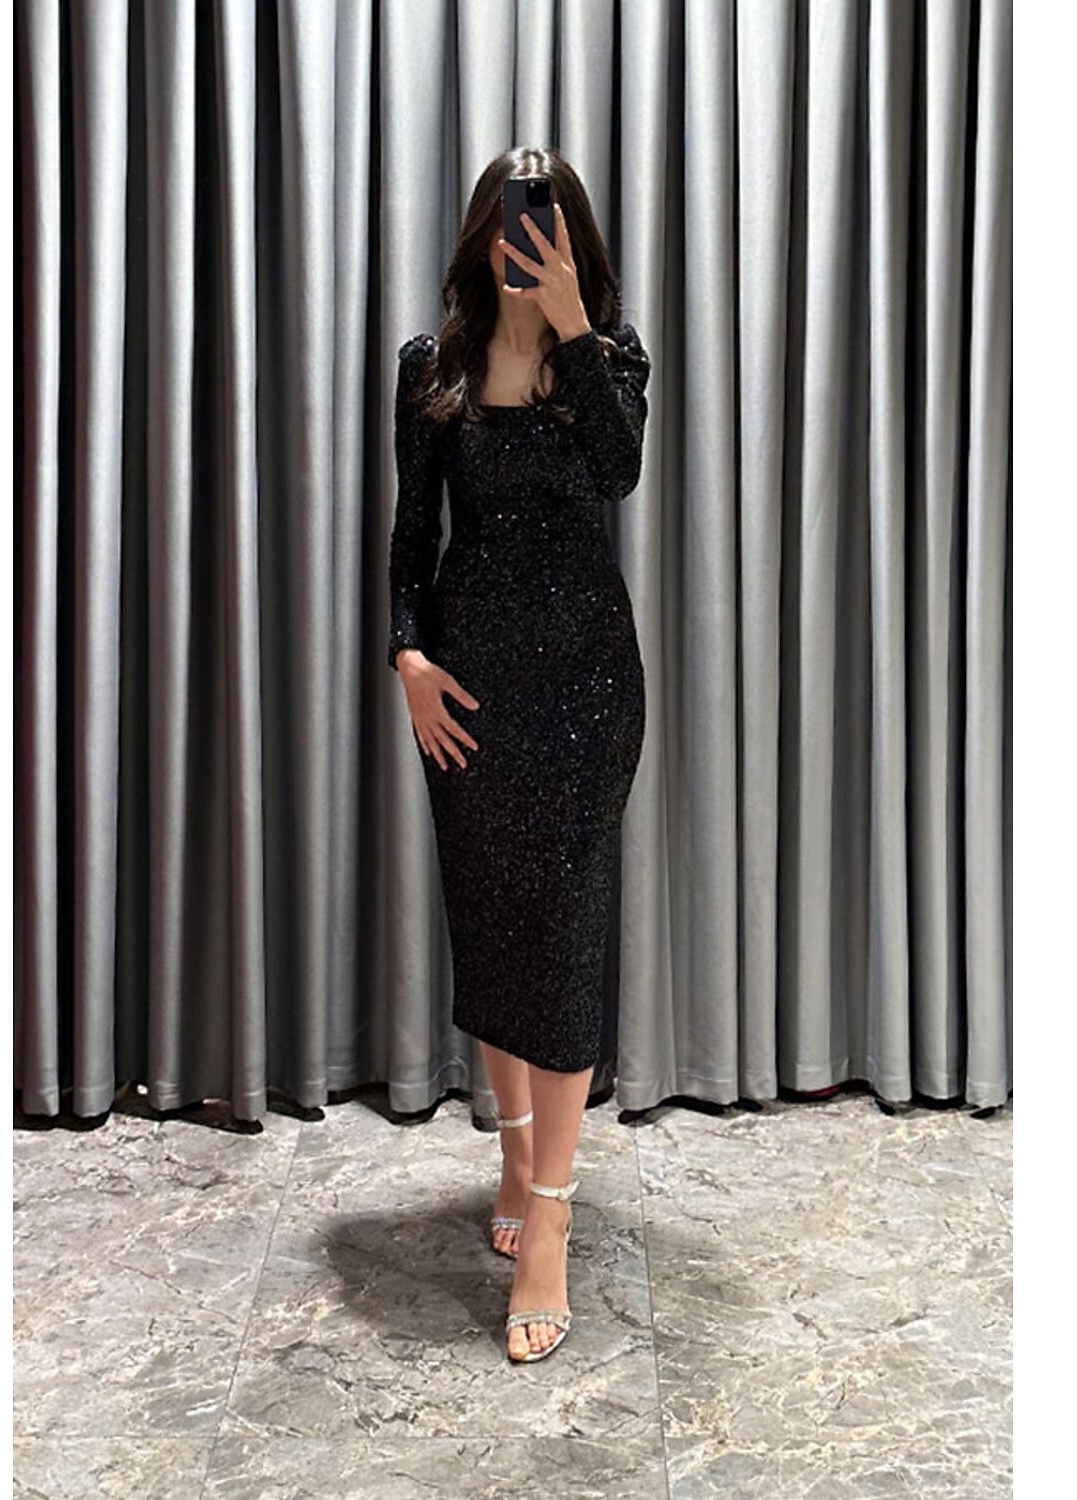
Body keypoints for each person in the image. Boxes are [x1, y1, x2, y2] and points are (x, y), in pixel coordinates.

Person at [387, 149, 651, 1364]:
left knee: (565, 931)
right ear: (480, 232)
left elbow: (619, 472)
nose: (522, 239)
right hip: (469, 692)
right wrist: (406, 656)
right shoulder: (431, 367)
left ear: (572, 238)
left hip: (588, 690)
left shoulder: (612, 356)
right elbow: (412, 539)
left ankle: (550, 1215)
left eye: (543, 222)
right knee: (493, 921)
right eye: (507, 220)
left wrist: (574, 328)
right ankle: (513, 1150)